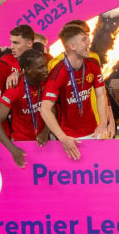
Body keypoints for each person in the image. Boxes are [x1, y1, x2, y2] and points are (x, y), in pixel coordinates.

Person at [40, 23, 110, 160]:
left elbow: (101, 95)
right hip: (68, 137)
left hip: (93, 133)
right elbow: (45, 109)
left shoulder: (93, 64)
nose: (89, 42)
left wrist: (102, 123)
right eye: (84, 40)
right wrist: (62, 137)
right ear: (72, 46)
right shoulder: (58, 72)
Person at [0, 48, 51, 167]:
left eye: (45, 65)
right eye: (40, 67)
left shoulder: (46, 80)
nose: (45, 70)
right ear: (27, 70)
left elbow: (52, 108)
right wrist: (12, 149)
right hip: (22, 144)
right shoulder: (15, 88)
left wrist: (45, 131)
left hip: (45, 142)